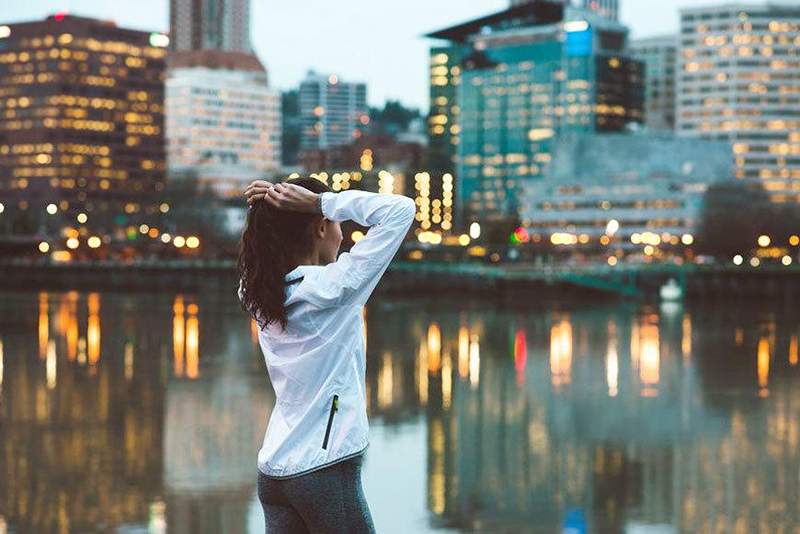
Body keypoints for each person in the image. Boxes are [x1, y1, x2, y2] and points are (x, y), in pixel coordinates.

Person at [238, 177, 416, 533]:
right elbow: (400, 210)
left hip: (274, 470)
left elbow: (265, 248)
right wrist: (322, 202)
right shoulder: (334, 288)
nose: (343, 235)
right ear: (321, 227)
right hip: (323, 467)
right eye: (337, 225)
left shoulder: (255, 290)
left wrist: (273, 205)